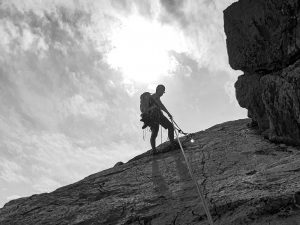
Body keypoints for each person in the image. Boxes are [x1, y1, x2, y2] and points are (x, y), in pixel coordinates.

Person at [148, 84, 176, 154]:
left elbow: (160, 105)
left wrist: (168, 113)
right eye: (162, 91)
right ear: (158, 90)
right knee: (169, 127)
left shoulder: (154, 97)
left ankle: (154, 150)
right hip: (155, 116)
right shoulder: (155, 96)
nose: (163, 93)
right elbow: (161, 105)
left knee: (155, 133)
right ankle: (172, 144)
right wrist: (168, 113)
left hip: (153, 117)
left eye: (163, 91)